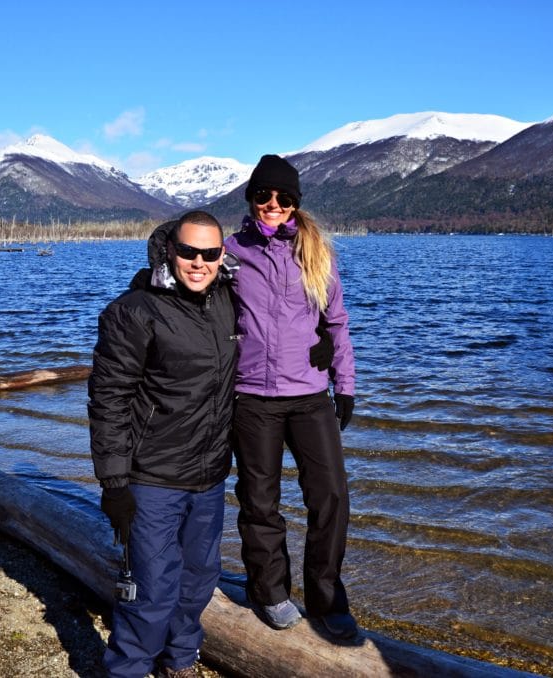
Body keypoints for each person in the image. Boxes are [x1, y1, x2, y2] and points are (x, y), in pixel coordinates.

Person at [88, 211, 237, 678]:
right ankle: (128, 669)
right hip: (151, 477)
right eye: (189, 251)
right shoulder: (134, 310)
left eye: (209, 253)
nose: (198, 262)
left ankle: (180, 661)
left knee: (197, 584)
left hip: (209, 475)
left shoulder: (229, 300)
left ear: (222, 256)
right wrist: (113, 483)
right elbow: (108, 397)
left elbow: (284, 314)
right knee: (150, 591)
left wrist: (323, 346)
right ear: (169, 251)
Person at [225, 154, 359, 640]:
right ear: (251, 198)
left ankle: (326, 597)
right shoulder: (231, 252)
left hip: (309, 395)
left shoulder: (316, 252)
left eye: (283, 198)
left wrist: (344, 386)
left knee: (331, 498)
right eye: (264, 196)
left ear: (295, 203)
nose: (273, 205)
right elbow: (189, 283)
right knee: (259, 501)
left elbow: (336, 323)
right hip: (251, 398)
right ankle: (270, 592)